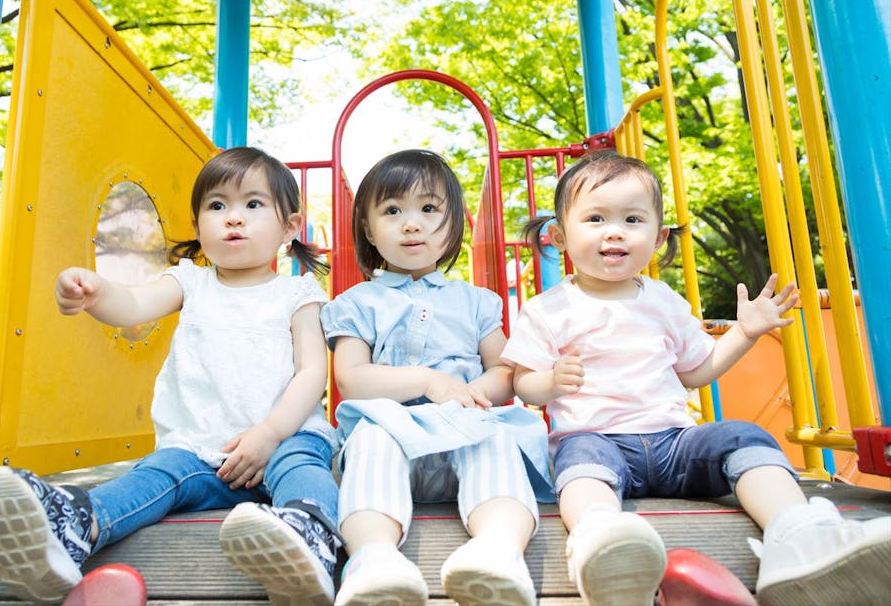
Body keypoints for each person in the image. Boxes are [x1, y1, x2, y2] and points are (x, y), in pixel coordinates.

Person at [501, 149, 891, 606]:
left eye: (632, 219)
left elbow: (697, 371)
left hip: (673, 443)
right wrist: (548, 383)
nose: (614, 232)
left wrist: (745, 332)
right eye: (595, 219)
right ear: (560, 237)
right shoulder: (549, 308)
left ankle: (795, 532)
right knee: (579, 466)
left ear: (658, 235)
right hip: (597, 438)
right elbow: (521, 381)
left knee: (743, 436)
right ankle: (601, 541)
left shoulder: (664, 301)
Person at [0, 147, 343, 605]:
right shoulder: (190, 282)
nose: (233, 218)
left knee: (303, 467)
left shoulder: (296, 291)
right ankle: (76, 525)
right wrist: (96, 292)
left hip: (286, 435)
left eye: (253, 205)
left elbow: (312, 372)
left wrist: (269, 433)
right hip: (206, 449)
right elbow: (134, 305)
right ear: (199, 225)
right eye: (217, 206)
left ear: (289, 228)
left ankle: (311, 536)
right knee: (159, 473)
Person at [320, 149, 553, 606]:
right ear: (368, 228)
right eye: (392, 211)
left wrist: (473, 393)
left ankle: (498, 552)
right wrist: (426, 380)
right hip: (393, 434)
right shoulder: (359, 301)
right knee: (370, 439)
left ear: (453, 225)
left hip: (462, 429)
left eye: (429, 209)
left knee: (495, 439)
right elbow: (351, 377)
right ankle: (373, 559)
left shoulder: (476, 302)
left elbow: (504, 371)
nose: (412, 224)